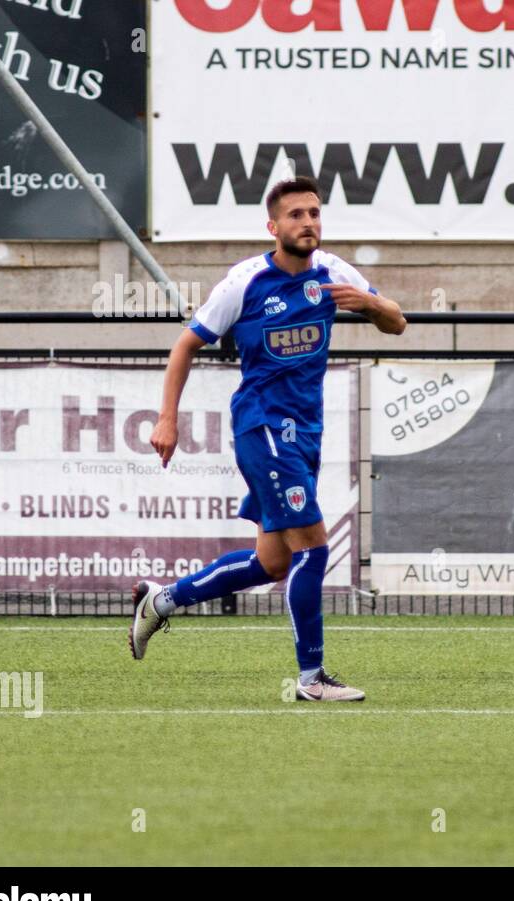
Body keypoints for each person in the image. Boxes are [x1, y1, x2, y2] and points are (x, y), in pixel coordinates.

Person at [128, 176, 406, 702]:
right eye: (296, 215)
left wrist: (372, 306)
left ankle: (161, 600)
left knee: (273, 563)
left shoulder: (334, 273)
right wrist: (167, 418)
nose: (308, 223)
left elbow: (398, 323)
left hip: (304, 433)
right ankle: (311, 679)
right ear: (273, 226)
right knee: (315, 545)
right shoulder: (245, 281)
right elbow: (186, 344)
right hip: (261, 427)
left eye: (314, 213)